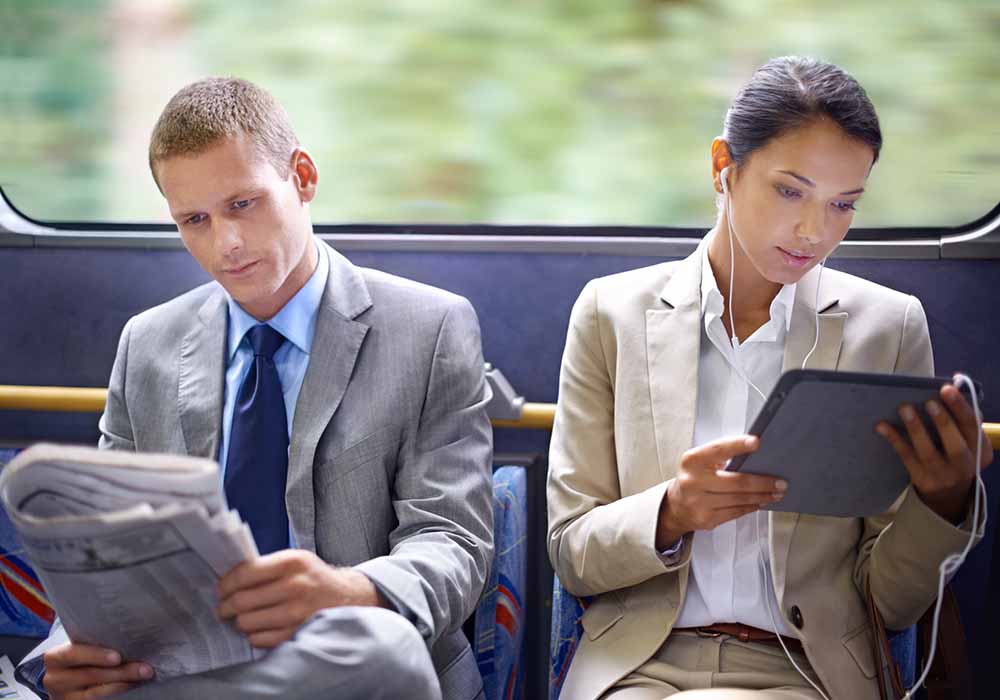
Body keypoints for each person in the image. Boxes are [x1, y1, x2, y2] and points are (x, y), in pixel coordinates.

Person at [18, 77, 494, 700]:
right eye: (195, 220)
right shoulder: (147, 345)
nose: (226, 244)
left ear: (302, 177)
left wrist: (353, 591)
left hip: (348, 659)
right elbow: (103, 559)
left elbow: (453, 539)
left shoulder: (430, 328)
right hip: (182, 662)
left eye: (243, 204)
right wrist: (68, 653)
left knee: (385, 647)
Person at [547, 56, 992, 700]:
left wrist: (942, 505)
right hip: (638, 665)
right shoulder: (609, 313)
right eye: (790, 191)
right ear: (723, 167)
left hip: (809, 673)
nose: (815, 231)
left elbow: (887, 604)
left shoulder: (887, 328)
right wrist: (672, 512)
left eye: (843, 205)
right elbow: (571, 553)